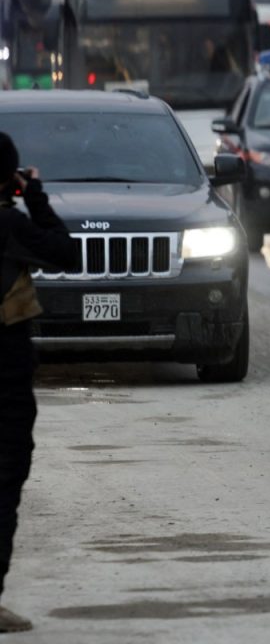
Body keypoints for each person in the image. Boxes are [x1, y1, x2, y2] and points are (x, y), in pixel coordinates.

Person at [0, 131, 74, 635]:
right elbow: (66, 253)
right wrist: (35, 197)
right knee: (3, 488)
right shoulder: (10, 224)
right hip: (4, 382)